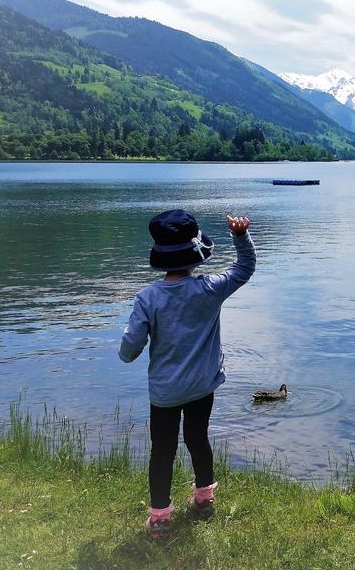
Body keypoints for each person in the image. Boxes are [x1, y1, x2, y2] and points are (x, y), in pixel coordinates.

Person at [119, 209, 256, 538]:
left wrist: (128, 349)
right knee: (198, 439)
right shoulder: (210, 289)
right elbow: (244, 268)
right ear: (196, 255)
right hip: (201, 387)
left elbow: (129, 349)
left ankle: (161, 519)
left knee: (162, 452)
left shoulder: (148, 298)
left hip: (165, 393)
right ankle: (205, 499)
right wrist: (240, 235)